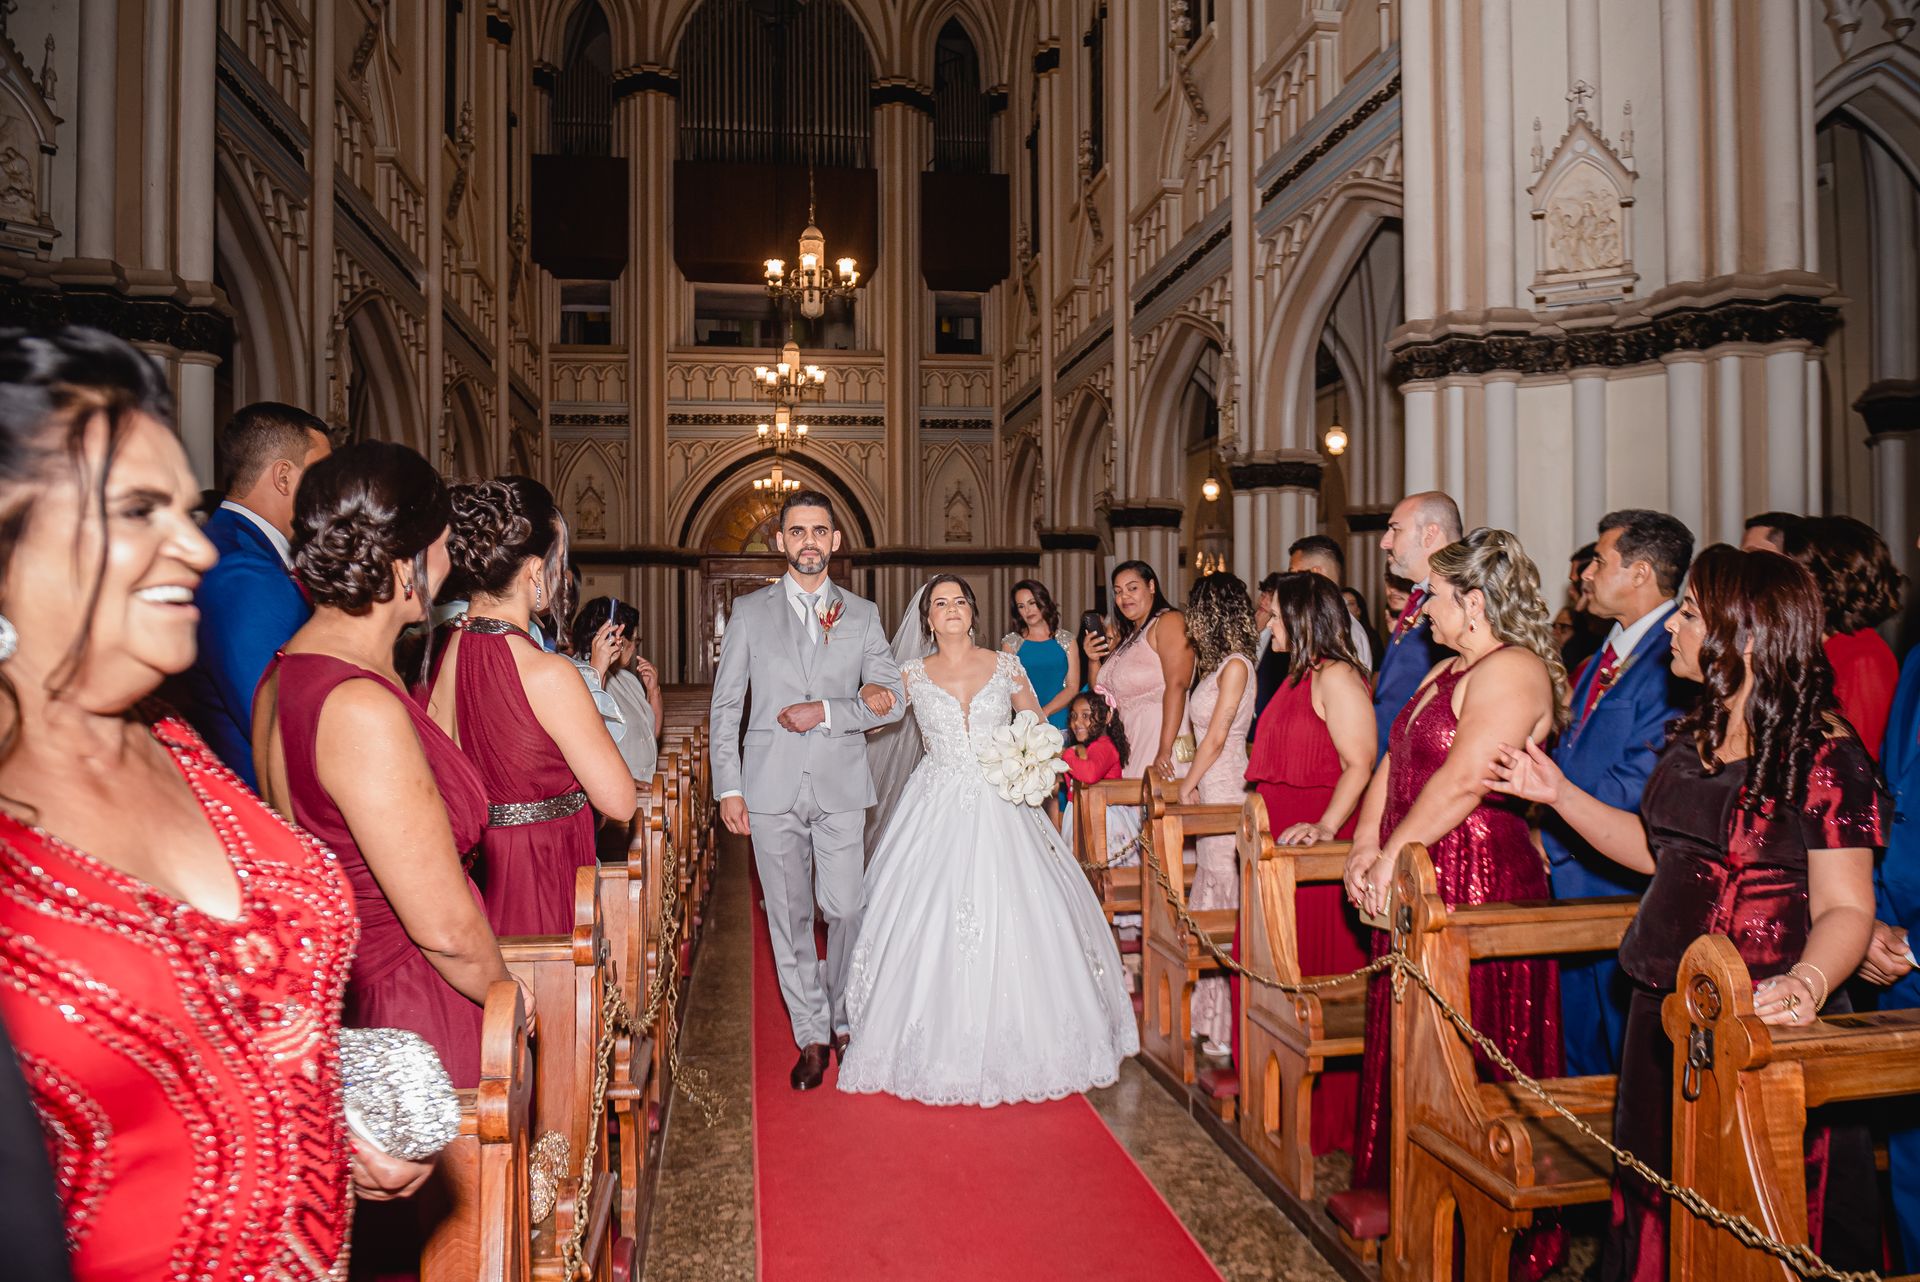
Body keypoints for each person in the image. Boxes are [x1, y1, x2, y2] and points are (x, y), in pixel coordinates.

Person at [0, 327, 421, 1282]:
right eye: (138, 509)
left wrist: (327, 1105)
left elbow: (219, 1014)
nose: (193, 544)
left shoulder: (177, 742)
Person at [1492, 545, 1885, 1280]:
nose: (1675, 626)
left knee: (1749, 1205)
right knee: (1655, 1181)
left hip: (1754, 1017)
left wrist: (1806, 984)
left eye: (1693, 614)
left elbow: (1846, 906)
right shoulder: (1695, 730)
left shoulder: (1824, 754)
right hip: (1661, 1001)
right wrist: (1557, 795)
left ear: (1745, 633)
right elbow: (1656, 850)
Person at [255, 441, 517, 1281]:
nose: (448, 562)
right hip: (416, 1010)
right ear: (406, 565)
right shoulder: (359, 705)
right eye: (440, 545)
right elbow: (442, 924)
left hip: (354, 1002)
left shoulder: (285, 676)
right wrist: (516, 1002)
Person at [1335, 528, 1568, 1278]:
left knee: (1467, 1047)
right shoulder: (1446, 669)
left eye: (1433, 595)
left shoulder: (1516, 671)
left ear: (1473, 600)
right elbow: (1393, 759)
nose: (1418, 607)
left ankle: (1480, 1218)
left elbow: (1467, 778)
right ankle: (1412, 1191)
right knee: (1411, 1040)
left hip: (1473, 879)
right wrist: (1366, 846)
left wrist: (1398, 853)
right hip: (1421, 871)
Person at [838, 574, 1137, 1105]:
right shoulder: (909, 673)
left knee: (1019, 908)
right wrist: (862, 692)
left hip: (1002, 800)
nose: (950, 609)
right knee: (924, 911)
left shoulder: (1005, 665)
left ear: (973, 614)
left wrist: (1030, 762)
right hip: (935, 800)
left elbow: (1036, 726)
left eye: (959, 602)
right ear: (927, 619)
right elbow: (873, 715)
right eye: (939, 603)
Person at [709, 490, 905, 1091]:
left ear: (836, 541)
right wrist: (728, 788)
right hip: (768, 790)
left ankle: (843, 1012)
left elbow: (890, 697)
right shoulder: (749, 613)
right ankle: (812, 1034)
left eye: (820, 531)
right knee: (790, 918)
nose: (809, 542)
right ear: (781, 541)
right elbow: (727, 705)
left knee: (845, 907)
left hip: (841, 784)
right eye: (797, 532)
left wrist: (826, 710)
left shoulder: (863, 615)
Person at [428, 476, 636, 936]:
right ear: (533, 570)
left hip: (477, 870)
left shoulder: (446, 652)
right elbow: (619, 800)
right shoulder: (548, 673)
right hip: (544, 866)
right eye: (559, 560)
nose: (561, 576)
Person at [1547, 509, 1694, 1076]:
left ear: (1639, 573)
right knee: (1579, 1045)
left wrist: (1551, 833)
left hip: (1618, 879)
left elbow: (1641, 779)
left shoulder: (1672, 655)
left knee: (1623, 1055)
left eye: (1601, 562)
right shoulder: (1606, 651)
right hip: (1575, 872)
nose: (1585, 573)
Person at [1244, 572, 1374, 1153]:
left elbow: (1360, 762)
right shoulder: (1295, 676)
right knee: (1272, 969)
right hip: (1277, 845)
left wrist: (1324, 826)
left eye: (1275, 617)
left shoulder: (1337, 675)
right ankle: (1274, 1104)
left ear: (1300, 619)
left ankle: (1325, 1121)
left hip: (1313, 847)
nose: (1268, 625)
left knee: (1310, 973)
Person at [166, 401, 331, 788]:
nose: (330, 494)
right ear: (285, 477)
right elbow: (276, 724)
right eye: (322, 477)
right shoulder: (245, 571)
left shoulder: (239, 548)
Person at [1858, 526, 1920, 1267]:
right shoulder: (1914, 663)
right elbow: (1889, 804)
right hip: (1897, 951)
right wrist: (1871, 916)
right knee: (1910, 1174)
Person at [1177, 571, 1258, 1057]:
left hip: (1227, 783)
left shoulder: (1236, 666)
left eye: (1197, 610)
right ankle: (1212, 1019)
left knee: (1226, 888)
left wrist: (1188, 784)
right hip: (1208, 778)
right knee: (1209, 885)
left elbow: (1219, 734)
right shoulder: (1215, 666)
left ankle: (1233, 1025)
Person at [1789, 515, 1902, 758]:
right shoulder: (1813, 648)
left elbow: (1854, 761)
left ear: (1828, 580)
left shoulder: (1863, 656)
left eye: (1793, 571)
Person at [1083, 560, 1194, 781]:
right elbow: (1101, 696)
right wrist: (1094, 660)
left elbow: (1178, 685)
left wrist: (1165, 749)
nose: (1124, 597)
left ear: (1151, 586)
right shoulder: (1128, 637)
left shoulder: (1169, 621)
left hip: (1159, 737)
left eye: (1132, 588)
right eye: (1118, 592)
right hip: (1128, 741)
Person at [1371, 491, 1460, 757]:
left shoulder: (1459, 600)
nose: (1384, 543)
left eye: (1395, 530)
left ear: (1429, 534)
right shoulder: (1419, 596)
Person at [568, 596, 663, 782]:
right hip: (612, 790)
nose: (635, 647)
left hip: (645, 789)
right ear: (617, 639)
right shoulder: (578, 675)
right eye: (634, 639)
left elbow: (651, 736)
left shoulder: (627, 679)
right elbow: (586, 742)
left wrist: (653, 692)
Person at [1001, 578, 1079, 732]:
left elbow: (1072, 686)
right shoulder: (1011, 644)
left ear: (1043, 601)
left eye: (1032, 603)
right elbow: (1006, 689)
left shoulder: (1067, 640)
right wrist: (1032, 717)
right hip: (1025, 726)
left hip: (1062, 724)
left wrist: (1044, 712)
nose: (1028, 611)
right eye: (1021, 606)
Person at [1288, 533, 1373, 667]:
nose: (1289, 582)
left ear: (1315, 573)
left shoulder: (1342, 632)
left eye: (1293, 573)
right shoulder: (1319, 622)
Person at [1058, 689, 1128, 848]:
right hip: (1080, 813)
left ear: (1107, 717)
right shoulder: (1086, 748)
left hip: (1103, 819)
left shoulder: (1104, 746)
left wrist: (1067, 755)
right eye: (1074, 716)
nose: (1076, 722)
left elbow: (1090, 774)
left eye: (1085, 715)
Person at [1250, 572, 1292, 743]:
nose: (1263, 600)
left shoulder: (1284, 641)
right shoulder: (1251, 629)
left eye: (1270, 595)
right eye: (1263, 594)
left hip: (1271, 727)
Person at [1341, 585, 1382, 672]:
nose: (1345, 607)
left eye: (1351, 604)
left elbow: (1378, 671)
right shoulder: (1331, 635)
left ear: (1359, 610)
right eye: (1342, 603)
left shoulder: (1371, 637)